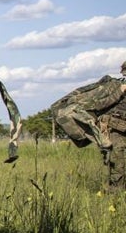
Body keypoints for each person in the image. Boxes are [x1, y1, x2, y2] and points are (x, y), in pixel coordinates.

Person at [52, 60, 126, 192]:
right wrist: (119, 92)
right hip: (115, 133)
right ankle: (115, 198)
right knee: (118, 169)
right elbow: (93, 105)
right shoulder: (113, 86)